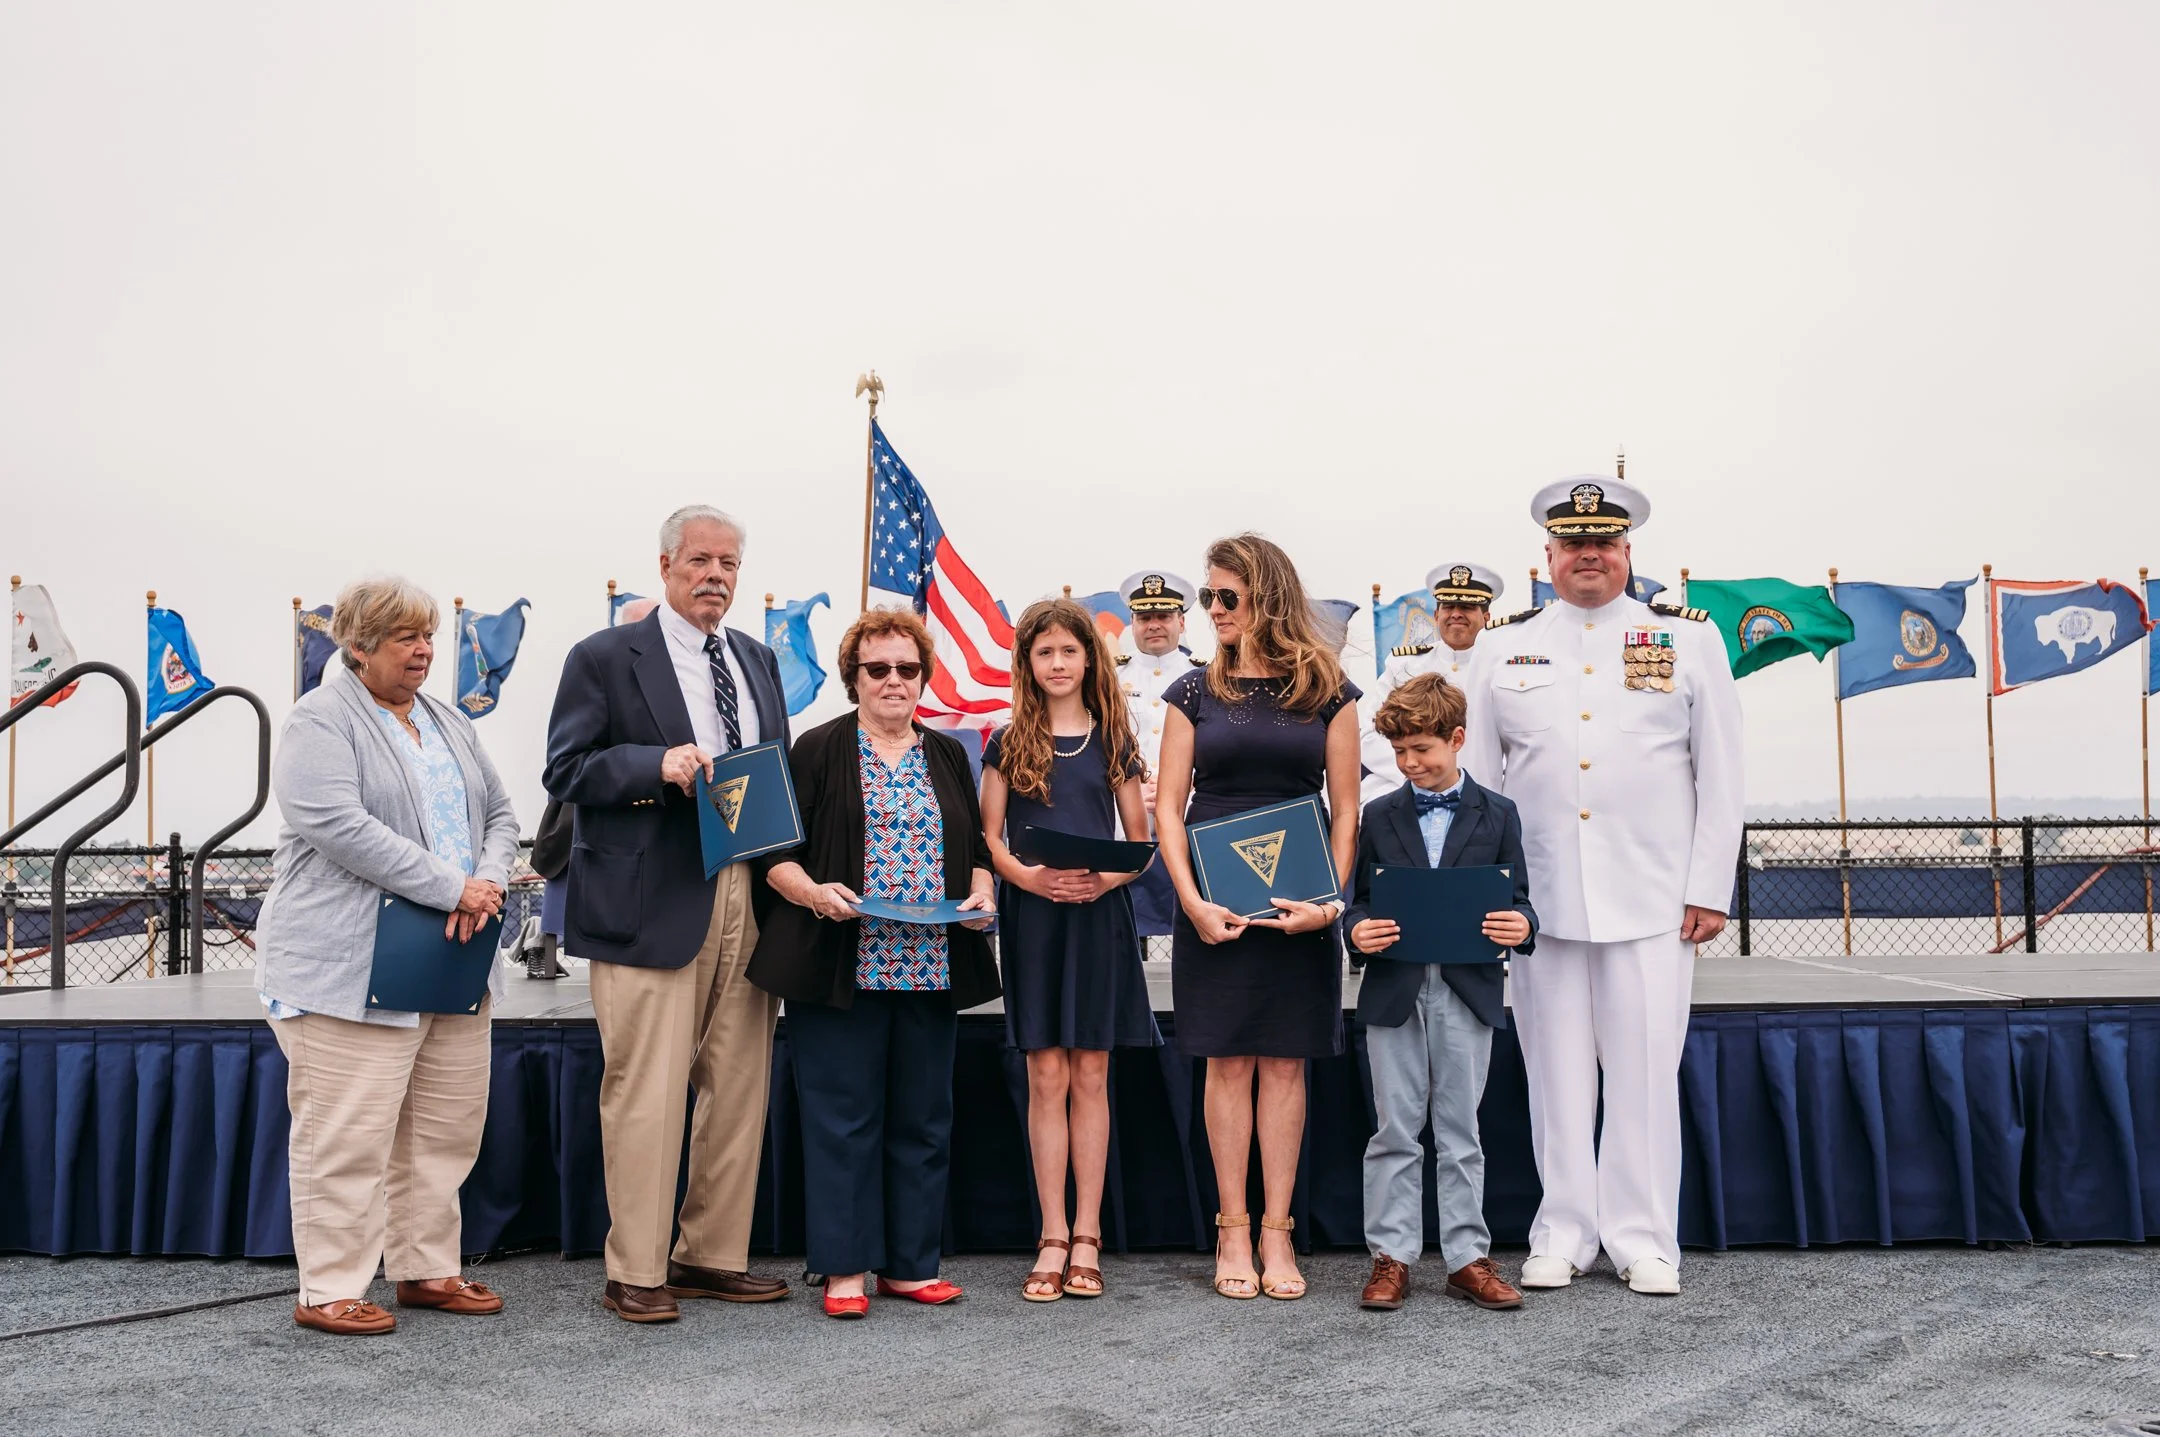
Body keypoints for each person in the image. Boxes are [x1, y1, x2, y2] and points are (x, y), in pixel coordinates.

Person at [1460, 476, 1743, 1296]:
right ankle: (1565, 1230)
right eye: (1573, 543)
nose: (1589, 554)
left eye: (1604, 542)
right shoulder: (1502, 648)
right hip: (1538, 903)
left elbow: (1719, 774)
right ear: (1546, 558)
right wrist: (1490, 891)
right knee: (1555, 1074)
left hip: (1654, 899)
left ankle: (1644, 1236)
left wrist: (1709, 885)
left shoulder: (1688, 643)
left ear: (1627, 553)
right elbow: (1480, 780)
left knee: (1646, 1072)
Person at [543, 506, 794, 1324]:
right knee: (647, 1090)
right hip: (649, 902)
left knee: (739, 1086)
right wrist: (657, 764)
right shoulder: (606, 656)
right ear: (665, 565)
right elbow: (566, 768)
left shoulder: (757, 659)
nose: (715, 575)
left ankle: (709, 1256)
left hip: (745, 894)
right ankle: (637, 1269)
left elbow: (776, 773)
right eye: (699, 560)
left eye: (728, 562)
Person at [255, 575, 519, 1335]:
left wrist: (489, 880)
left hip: (452, 960)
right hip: (346, 964)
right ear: (358, 645)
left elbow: (501, 813)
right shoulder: (319, 719)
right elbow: (337, 823)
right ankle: (330, 1286)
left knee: (443, 1129)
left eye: (428, 636)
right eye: (406, 637)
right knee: (348, 1133)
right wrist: (453, 888)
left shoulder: (447, 719)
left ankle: (427, 1267)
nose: (424, 650)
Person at [747, 608, 998, 1320]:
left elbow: (976, 846)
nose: (893, 680)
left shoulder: (948, 752)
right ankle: (846, 1267)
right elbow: (773, 853)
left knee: (923, 1117)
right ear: (853, 676)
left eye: (907, 668)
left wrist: (981, 889)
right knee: (842, 1118)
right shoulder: (818, 748)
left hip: (928, 965)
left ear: (924, 676)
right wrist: (812, 894)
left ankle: (912, 1265)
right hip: (840, 964)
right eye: (877, 668)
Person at [1153, 534, 1361, 1302]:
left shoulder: (1331, 688)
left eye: (1225, 597)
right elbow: (1168, 813)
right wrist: (1191, 901)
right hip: (1215, 909)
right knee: (1227, 1063)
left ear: (1267, 595)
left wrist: (1331, 904)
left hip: (1303, 909)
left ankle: (1279, 1230)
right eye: (1208, 597)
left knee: (1284, 1063)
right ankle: (1232, 1226)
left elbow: (1347, 813)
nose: (1211, 610)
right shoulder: (1192, 692)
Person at [979, 598, 1161, 1303]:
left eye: (1068, 651)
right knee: (1045, 1076)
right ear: (1028, 662)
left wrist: (1100, 880)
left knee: (1091, 1073)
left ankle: (1088, 1233)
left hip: (1097, 920)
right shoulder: (1006, 738)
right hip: (1033, 919)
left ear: (1090, 658)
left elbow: (1140, 844)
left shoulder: (1114, 738)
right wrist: (1025, 875)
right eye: (1044, 652)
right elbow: (991, 836)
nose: (1057, 664)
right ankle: (1050, 1233)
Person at [1343, 673, 1536, 1313]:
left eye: (1421, 750)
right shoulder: (1378, 815)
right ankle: (1391, 1257)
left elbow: (1521, 902)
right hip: (1393, 989)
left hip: (1468, 990)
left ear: (1457, 738)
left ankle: (1465, 1257)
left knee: (1461, 1130)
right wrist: (1357, 931)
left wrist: (1524, 925)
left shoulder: (1500, 814)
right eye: (1398, 753)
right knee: (1394, 1128)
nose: (1409, 764)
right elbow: (1357, 903)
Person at [1358, 563, 1503, 807]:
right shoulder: (1403, 665)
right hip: (1412, 797)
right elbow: (1370, 735)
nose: (1456, 613)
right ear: (1436, 615)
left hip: (1483, 800)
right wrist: (1420, 776)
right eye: (1448, 606)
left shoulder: (1505, 667)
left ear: (1486, 617)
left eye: (1467, 607)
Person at [1115, 570, 1204, 940]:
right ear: (1132, 623)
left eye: (1163, 616)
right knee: (1122, 930)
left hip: (1187, 816)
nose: (1154, 625)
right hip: (1121, 819)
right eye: (1144, 617)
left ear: (1181, 622)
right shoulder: (1108, 679)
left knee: (1194, 920)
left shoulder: (1207, 678)